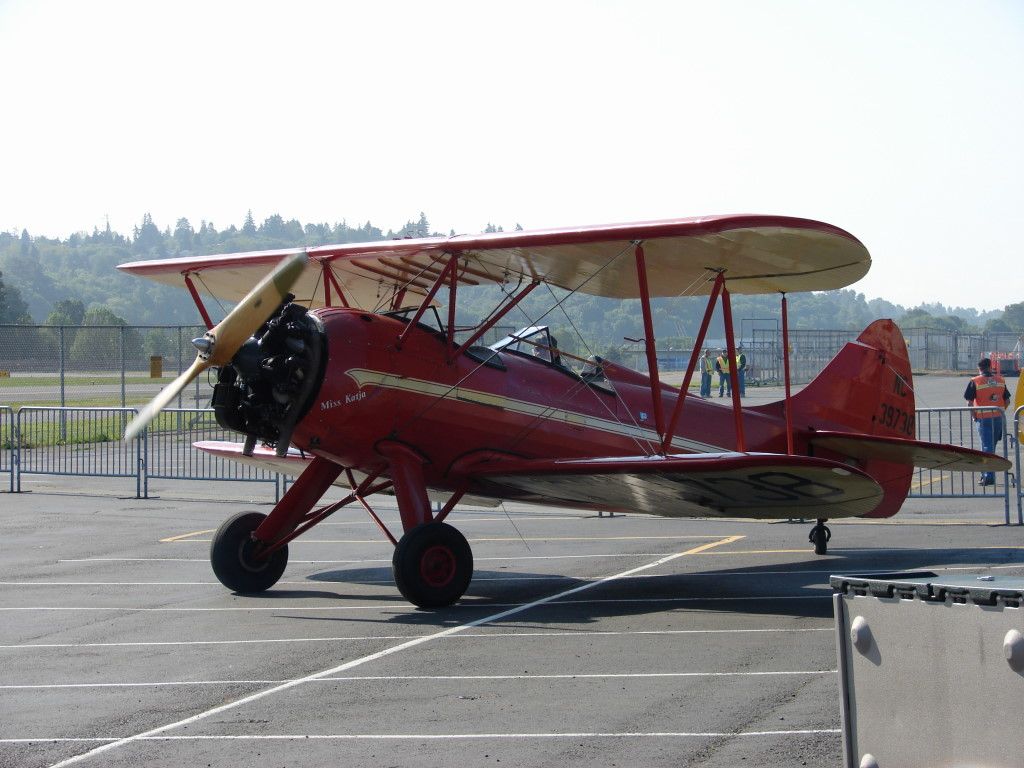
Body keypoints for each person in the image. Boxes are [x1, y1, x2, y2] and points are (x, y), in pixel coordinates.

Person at [963, 357, 1011, 485]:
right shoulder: (1000, 380)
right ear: (990, 367)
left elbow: (969, 402)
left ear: (979, 368)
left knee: (986, 448)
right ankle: (988, 473)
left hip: (983, 419)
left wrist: (974, 416)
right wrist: (1001, 411)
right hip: (998, 419)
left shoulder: (975, 381)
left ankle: (988, 476)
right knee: (991, 447)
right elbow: (1007, 401)